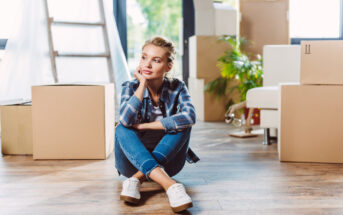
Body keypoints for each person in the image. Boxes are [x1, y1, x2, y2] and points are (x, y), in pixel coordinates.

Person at [114, 36, 199, 213]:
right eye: (144, 57)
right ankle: (170, 185)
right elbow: (126, 120)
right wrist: (142, 84)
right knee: (121, 127)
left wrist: (146, 126)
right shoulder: (129, 86)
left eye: (156, 60)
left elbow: (190, 116)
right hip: (130, 162)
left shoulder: (177, 87)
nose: (147, 65)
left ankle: (137, 179)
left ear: (168, 66)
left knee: (183, 124)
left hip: (170, 162)